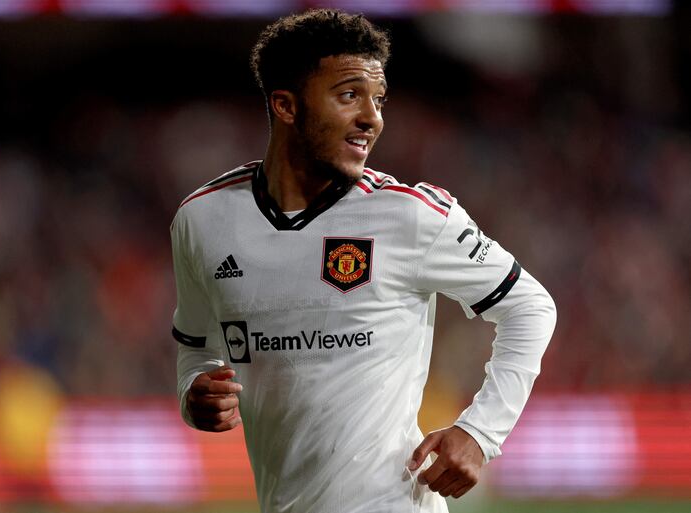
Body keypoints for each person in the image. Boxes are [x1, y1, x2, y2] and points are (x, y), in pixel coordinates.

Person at [171, 9, 556, 513]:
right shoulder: (202, 221)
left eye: (378, 100)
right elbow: (197, 349)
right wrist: (193, 391)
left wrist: (479, 432)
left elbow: (530, 306)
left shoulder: (409, 216)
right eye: (349, 95)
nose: (372, 117)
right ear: (286, 106)